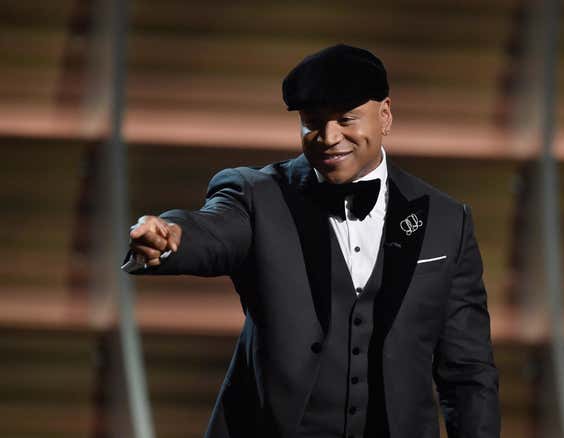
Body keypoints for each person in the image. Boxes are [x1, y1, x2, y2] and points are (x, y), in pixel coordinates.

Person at [123, 44, 500, 438]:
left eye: (346, 120)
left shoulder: (446, 220)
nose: (328, 137)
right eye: (313, 122)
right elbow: (214, 230)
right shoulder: (258, 195)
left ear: (385, 116)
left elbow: (468, 371)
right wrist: (171, 238)